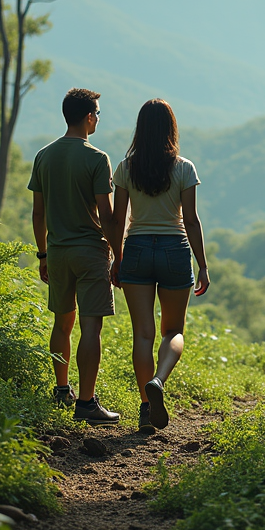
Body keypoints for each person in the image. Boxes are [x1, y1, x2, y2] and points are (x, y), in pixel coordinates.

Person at [112, 99, 209, 431]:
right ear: (171, 128)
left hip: (136, 247)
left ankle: (144, 408)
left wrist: (116, 256)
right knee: (173, 330)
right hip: (174, 249)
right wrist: (203, 265)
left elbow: (117, 218)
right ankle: (159, 380)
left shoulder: (126, 168)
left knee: (142, 334)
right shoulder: (184, 168)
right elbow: (192, 221)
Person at [30, 88, 123, 425]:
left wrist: (42, 254)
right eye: (97, 113)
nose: (97, 118)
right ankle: (86, 403)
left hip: (56, 253)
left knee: (62, 322)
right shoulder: (97, 159)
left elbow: (37, 214)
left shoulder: (43, 156)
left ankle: (61, 389)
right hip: (90, 252)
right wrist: (119, 254)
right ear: (88, 116)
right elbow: (108, 215)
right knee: (90, 328)